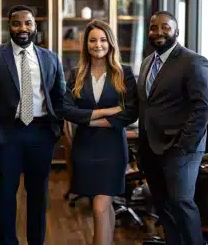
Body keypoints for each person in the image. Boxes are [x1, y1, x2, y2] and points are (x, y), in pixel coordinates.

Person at [0, 5, 65, 245]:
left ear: (35, 26)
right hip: (7, 134)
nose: (23, 28)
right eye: (17, 23)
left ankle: (36, 241)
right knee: (6, 194)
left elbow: (59, 96)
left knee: (38, 195)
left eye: (27, 23)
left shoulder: (50, 58)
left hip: (41, 133)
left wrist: (55, 129)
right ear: (9, 26)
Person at [137, 10, 208, 245]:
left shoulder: (193, 61)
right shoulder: (147, 62)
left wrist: (184, 146)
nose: (158, 32)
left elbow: (204, 107)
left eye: (165, 27)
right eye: (153, 28)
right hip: (151, 149)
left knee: (181, 203)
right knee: (163, 205)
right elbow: (146, 106)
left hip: (180, 150)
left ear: (176, 32)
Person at [62, 19, 138, 245]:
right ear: (86, 44)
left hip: (112, 149)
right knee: (103, 208)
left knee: (99, 208)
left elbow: (130, 112)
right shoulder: (77, 73)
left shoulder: (123, 73)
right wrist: (105, 111)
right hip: (85, 150)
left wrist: (90, 119)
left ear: (111, 43)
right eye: (93, 40)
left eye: (103, 40)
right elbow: (67, 110)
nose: (98, 45)